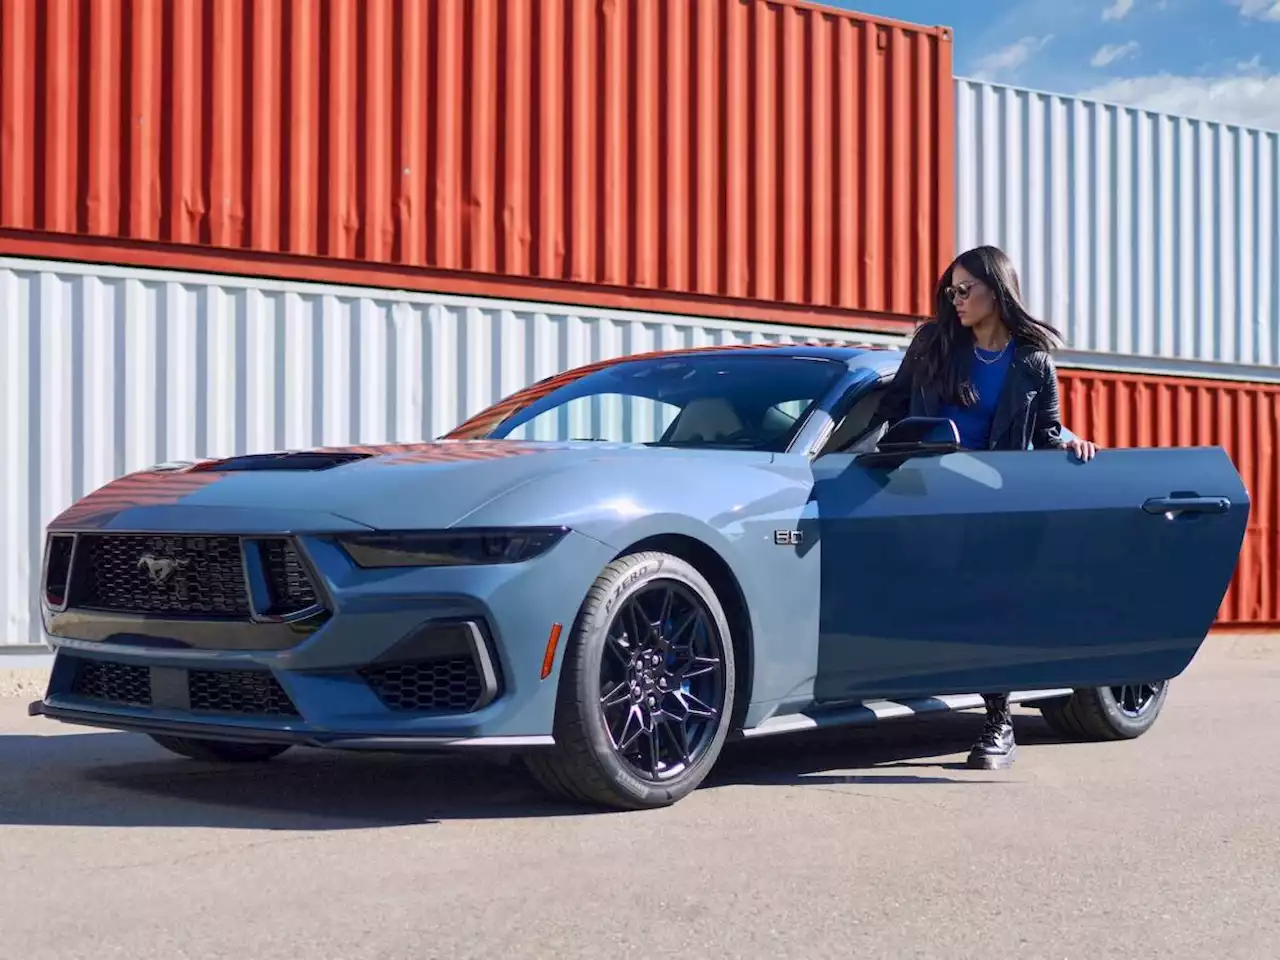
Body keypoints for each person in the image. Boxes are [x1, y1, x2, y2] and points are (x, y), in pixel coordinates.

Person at [867, 244, 1098, 771]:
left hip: (995, 496)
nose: (956, 299)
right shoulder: (933, 344)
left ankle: (998, 722)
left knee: (989, 603)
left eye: (965, 289)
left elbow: (1045, 430)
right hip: (931, 489)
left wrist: (1068, 441)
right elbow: (892, 407)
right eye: (951, 291)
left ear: (998, 289)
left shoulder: (1032, 358)